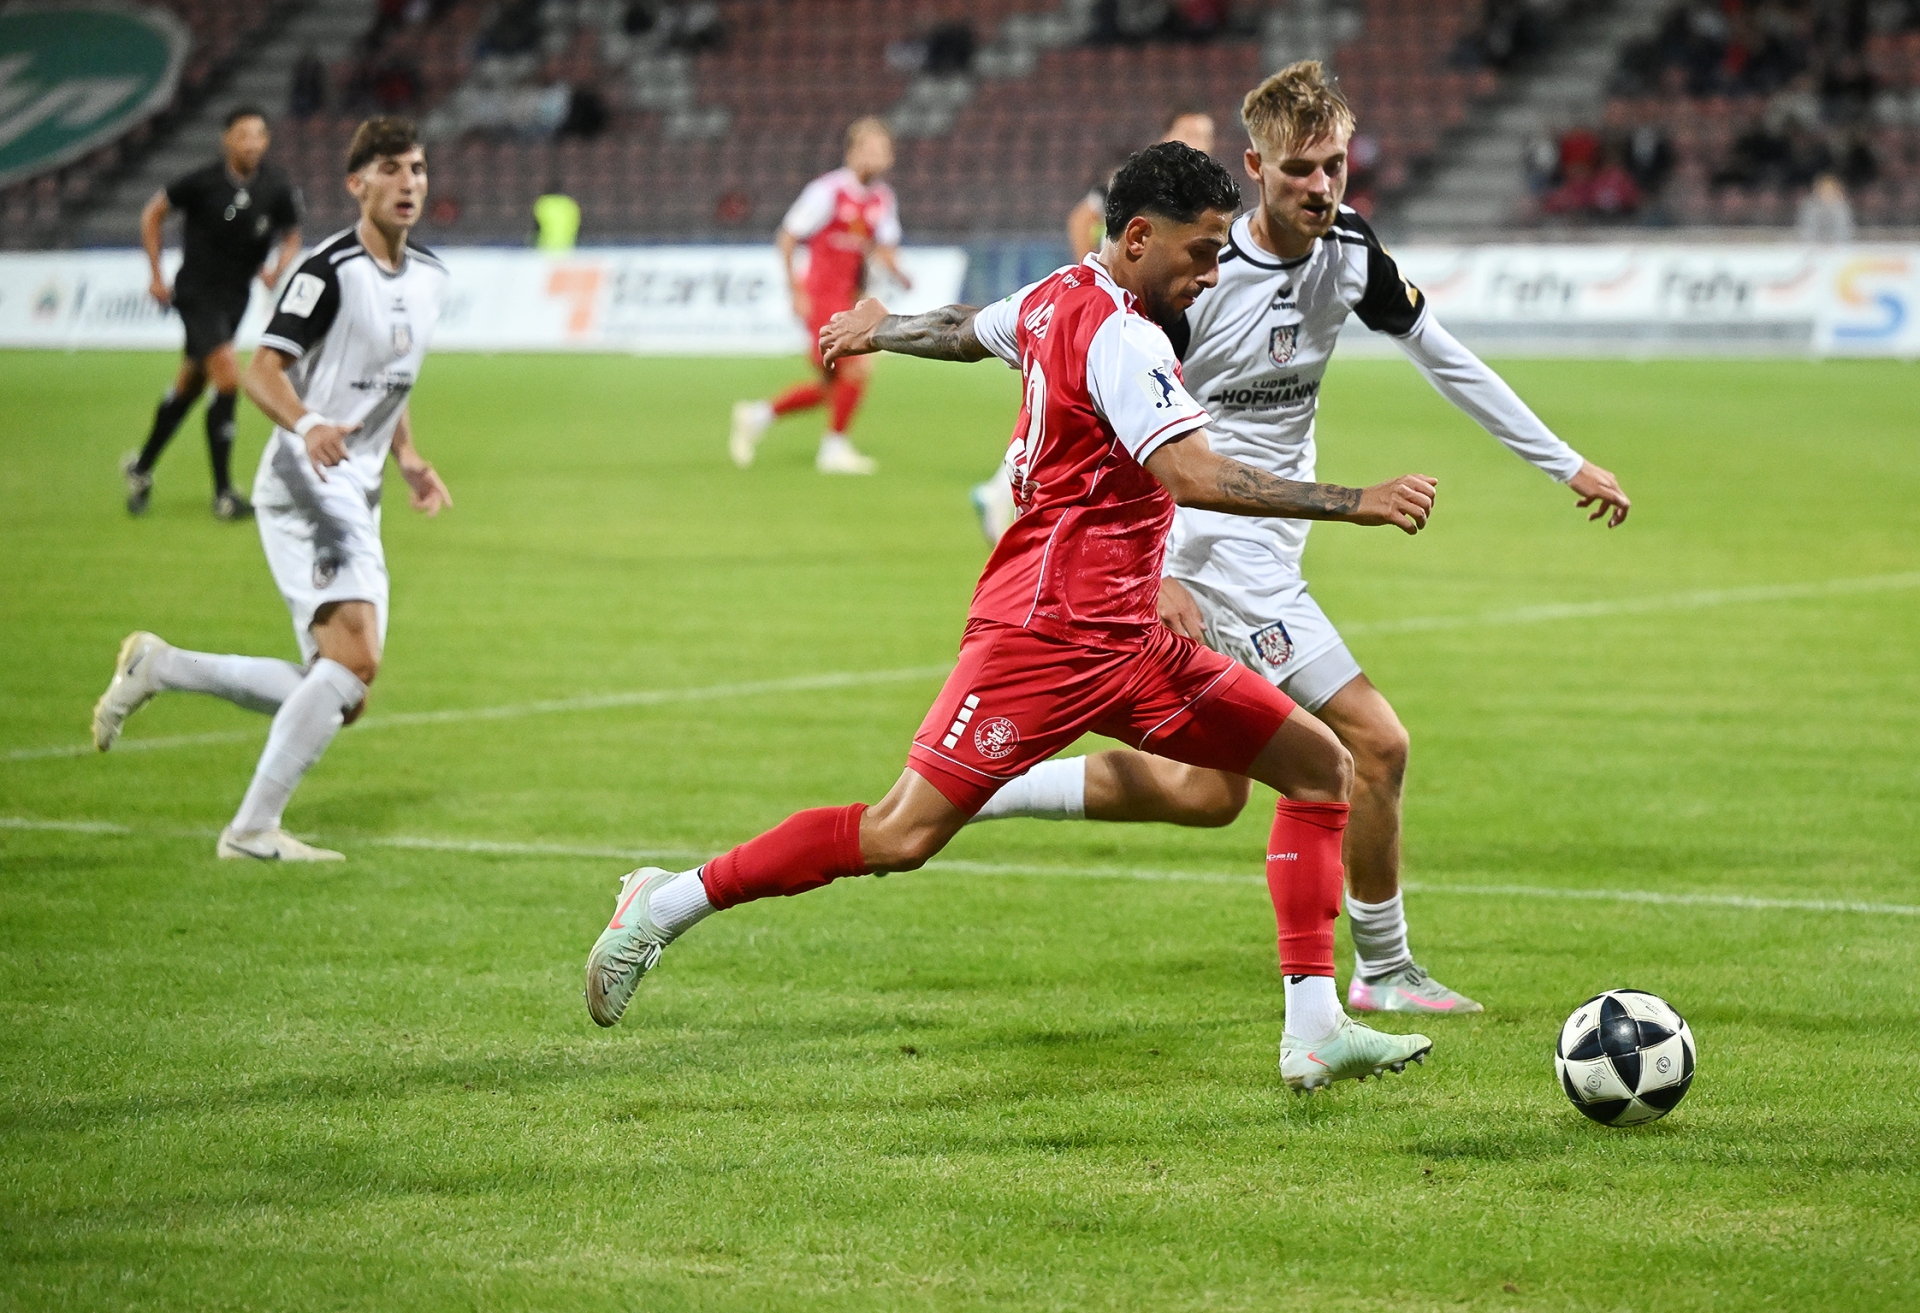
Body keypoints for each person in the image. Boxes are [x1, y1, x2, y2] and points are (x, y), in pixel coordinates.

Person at [586, 142, 1447, 1094]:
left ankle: (1314, 1029)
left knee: (1319, 767)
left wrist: (884, 329)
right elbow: (1193, 475)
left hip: (1131, 638)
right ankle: (664, 902)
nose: (1212, 274)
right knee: (898, 836)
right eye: (1201, 253)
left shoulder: (1056, 295)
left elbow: (967, 328)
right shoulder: (1125, 336)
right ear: (1138, 237)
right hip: (1043, 636)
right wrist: (1356, 500)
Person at [966, 62, 1634, 1016]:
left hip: (1270, 544)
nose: (1321, 187)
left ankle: (992, 782)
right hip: (1209, 550)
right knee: (1376, 742)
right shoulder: (1197, 280)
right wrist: (1157, 569)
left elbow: (1446, 359)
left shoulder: (1349, 251)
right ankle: (1383, 970)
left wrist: (1563, 462)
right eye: (1298, 170)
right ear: (1255, 168)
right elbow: (1107, 418)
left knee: (1210, 795)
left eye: (1334, 167)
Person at [92, 117, 454, 862]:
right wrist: (310, 422)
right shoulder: (328, 270)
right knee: (354, 661)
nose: (408, 183)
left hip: (356, 483)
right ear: (357, 184)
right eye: (390, 169)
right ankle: (252, 830)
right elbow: (263, 370)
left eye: (417, 168)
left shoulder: (430, 277)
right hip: (307, 476)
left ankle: (161, 667)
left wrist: (408, 455)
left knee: (342, 690)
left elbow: (392, 379)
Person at [128, 106, 305, 520]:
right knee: (227, 376)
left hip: (235, 299)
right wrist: (155, 275)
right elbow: (152, 214)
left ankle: (141, 468)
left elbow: (292, 234)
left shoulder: (276, 186)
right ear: (226, 140)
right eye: (243, 135)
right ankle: (224, 494)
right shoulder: (202, 181)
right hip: (196, 294)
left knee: (189, 387)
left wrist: (278, 268)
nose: (252, 143)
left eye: (259, 135)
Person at [728, 118, 913, 476]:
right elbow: (787, 238)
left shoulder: (882, 199)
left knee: (833, 385)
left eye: (883, 150)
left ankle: (757, 416)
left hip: (852, 298)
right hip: (821, 297)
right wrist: (795, 291)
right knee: (857, 367)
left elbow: (883, 247)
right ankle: (834, 449)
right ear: (852, 152)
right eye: (870, 148)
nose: (877, 156)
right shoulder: (827, 191)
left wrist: (901, 275)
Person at [1066, 108, 1217, 263]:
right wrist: (1091, 270)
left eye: (1204, 137)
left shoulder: (1214, 194)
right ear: (1167, 138)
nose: (1196, 145)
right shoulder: (1137, 181)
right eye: (1188, 135)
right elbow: (1081, 219)